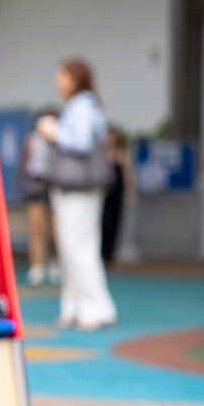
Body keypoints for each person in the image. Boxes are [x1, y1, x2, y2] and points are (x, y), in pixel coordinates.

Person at [38, 58, 117, 330]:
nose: (57, 81)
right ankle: (84, 307)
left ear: (75, 79)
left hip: (77, 189)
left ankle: (89, 309)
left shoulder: (81, 106)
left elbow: (80, 143)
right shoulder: (87, 104)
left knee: (77, 248)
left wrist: (54, 132)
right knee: (82, 247)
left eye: (62, 76)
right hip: (82, 189)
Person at [19, 107, 59, 286]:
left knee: (55, 230)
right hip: (35, 186)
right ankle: (36, 266)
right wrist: (25, 186)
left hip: (55, 186)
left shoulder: (61, 139)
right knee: (36, 229)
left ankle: (55, 263)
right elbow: (25, 165)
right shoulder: (31, 140)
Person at [100, 124, 136, 264]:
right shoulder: (100, 152)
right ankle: (99, 252)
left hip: (116, 192)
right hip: (102, 192)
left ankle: (109, 254)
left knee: (115, 222)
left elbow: (128, 173)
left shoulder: (122, 153)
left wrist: (129, 190)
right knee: (102, 222)